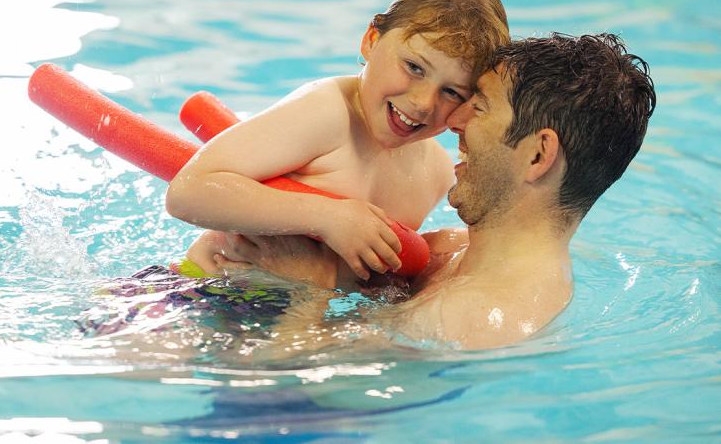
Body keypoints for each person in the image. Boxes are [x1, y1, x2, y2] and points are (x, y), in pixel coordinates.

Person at [211, 33, 657, 350]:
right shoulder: (448, 252)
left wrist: (310, 289)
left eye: (478, 107)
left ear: (539, 155)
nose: (453, 121)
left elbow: (276, 395)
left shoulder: (474, 321)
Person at [166, 0, 509, 280]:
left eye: (451, 91)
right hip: (204, 290)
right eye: (414, 67)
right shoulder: (326, 113)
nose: (422, 102)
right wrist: (328, 217)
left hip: (301, 314)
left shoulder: (434, 172)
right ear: (372, 40)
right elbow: (188, 191)